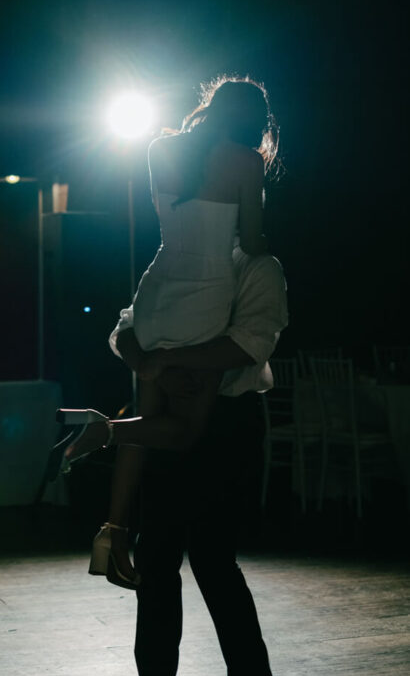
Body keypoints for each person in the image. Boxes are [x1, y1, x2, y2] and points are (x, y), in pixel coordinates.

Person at [51, 76, 280, 586]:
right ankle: (103, 431)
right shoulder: (246, 161)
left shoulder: (159, 148)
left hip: (157, 288)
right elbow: (254, 238)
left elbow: (172, 225)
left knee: (147, 426)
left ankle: (112, 534)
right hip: (205, 294)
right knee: (183, 430)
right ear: (252, 121)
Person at [116, 245, 290, 676]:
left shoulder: (259, 265)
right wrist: (151, 365)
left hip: (229, 425)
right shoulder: (175, 255)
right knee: (156, 558)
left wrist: (164, 359)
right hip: (172, 409)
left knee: (214, 563)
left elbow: (248, 345)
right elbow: (126, 325)